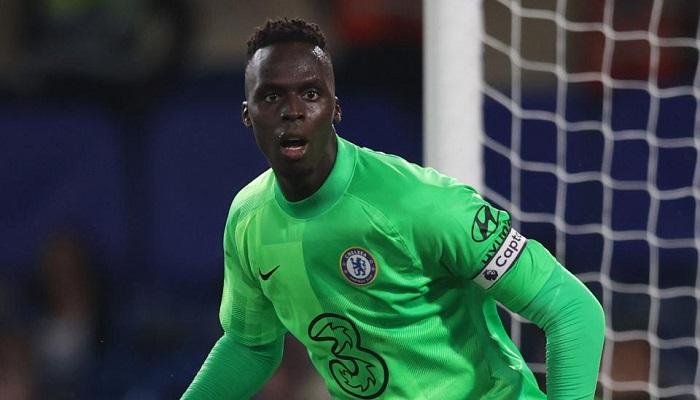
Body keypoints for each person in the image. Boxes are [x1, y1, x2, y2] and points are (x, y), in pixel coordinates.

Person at [182, 18, 605, 399]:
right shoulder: (249, 219)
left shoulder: (419, 203)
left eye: (310, 94)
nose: (292, 112)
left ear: (335, 108)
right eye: (271, 96)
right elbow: (250, 346)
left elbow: (572, 310)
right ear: (247, 114)